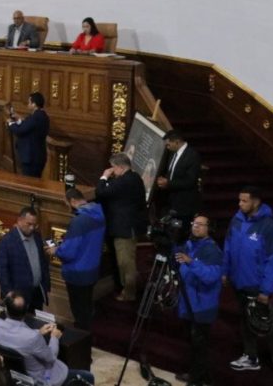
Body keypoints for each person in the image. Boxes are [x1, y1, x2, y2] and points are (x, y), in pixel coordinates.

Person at [224, 186, 273, 384]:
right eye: (239, 200)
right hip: (239, 283)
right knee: (245, 322)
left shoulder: (269, 227)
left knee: (268, 326)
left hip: (258, 287)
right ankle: (250, 356)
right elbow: (228, 247)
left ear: (256, 201)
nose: (240, 204)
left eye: (244, 201)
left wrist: (266, 290)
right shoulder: (236, 220)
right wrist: (225, 272)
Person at [0, 291, 95, 385]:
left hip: (14, 374)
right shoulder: (33, 337)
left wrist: (38, 332)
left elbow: (18, 338)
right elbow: (51, 358)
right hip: (42, 378)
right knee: (88, 376)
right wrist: (54, 337)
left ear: (6, 310)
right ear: (25, 311)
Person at [174, 215, 223, 386]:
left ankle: (196, 380)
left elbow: (211, 277)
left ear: (209, 228)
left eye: (201, 225)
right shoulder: (189, 244)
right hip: (188, 303)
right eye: (194, 224)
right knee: (193, 344)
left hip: (203, 306)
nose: (196, 227)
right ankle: (198, 375)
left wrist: (191, 262)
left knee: (199, 345)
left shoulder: (212, 250)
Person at [95, 152, 146, 302]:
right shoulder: (134, 177)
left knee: (125, 262)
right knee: (125, 261)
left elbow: (101, 192)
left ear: (121, 167)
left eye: (113, 168)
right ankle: (128, 287)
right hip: (128, 226)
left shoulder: (125, 181)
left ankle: (129, 292)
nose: (112, 171)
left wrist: (104, 176)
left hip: (125, 229)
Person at [52, 188, 105, 331]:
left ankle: (81, 336)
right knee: (87, 305)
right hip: (93, 268)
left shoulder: (79, 221)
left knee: (79, 311)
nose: (67, 208)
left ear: (73, 201)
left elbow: (69, 252)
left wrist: (56, 250)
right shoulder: (99, 213)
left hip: (77, 273)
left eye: (67, 204)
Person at [0, 207, 50, 310]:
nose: (32, 228)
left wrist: (46, 284)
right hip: (17, 296)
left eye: (35, 225)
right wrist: (8, 293)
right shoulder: (7, 242)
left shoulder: (37, 237)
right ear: (19, 221)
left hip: (37, 294)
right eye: (29, 224)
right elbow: (2, 271)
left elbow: (42, 262)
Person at [155, 129, 202, 223]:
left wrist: (168, 183)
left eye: (168, 145)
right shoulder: (173, 153)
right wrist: (164, 180)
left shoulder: (192, 156)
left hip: (184, 204)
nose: (167, 147)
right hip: (170, 202)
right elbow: (171, 171)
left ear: (177, 142)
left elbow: (190, 181)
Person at [7, 92, 49, 178]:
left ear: (34, 104)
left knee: (30, 182)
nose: (28, 104)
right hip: (37, 156)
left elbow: (20, 130)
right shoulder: (42, 115)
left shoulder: (36, 117)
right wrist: (18, 120)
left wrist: (10, 123)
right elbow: (28, 126)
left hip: (31, 158)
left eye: (29, 102)